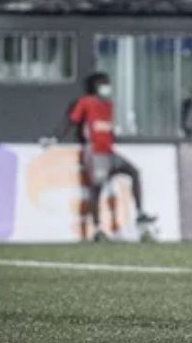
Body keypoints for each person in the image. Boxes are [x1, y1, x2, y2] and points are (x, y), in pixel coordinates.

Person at [49, 73, 157, 242]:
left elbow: (106, 128)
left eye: (108, 83)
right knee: (97, 188)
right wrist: (55, 137)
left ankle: (140, 213)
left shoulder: (108, 105)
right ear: (95, 86)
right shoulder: (85, 102)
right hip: (95, 152)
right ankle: (98, 229)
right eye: (103, 84)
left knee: (134, 172)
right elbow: (72, 121)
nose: (107, 87)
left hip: (109, 151)